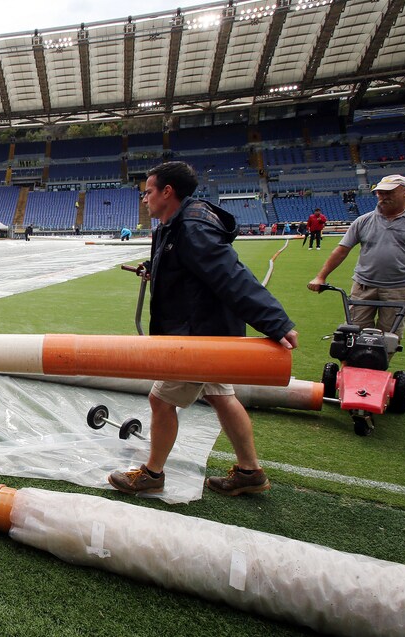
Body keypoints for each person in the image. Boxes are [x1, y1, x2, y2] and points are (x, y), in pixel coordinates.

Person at [108, 162, 298, 498]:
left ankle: (152, 474)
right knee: (221, 397)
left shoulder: (192, 227)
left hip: (197, 333)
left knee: (160, 400)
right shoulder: (176, 223)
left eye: (148, 192)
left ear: (167, 192)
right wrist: (154, 268)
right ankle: (250, 472)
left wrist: (275, 321)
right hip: (208, 330)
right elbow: (186, 263)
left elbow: (230, 275)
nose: (144, 199)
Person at [307, 174, 405, 338]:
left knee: (389, 337)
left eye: (389, 192)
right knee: (353, 333)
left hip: (400, 289)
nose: (383, 196)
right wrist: (321, 277)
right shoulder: (364, 220)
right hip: (363, 286)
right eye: (380, 193)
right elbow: (341, 250)